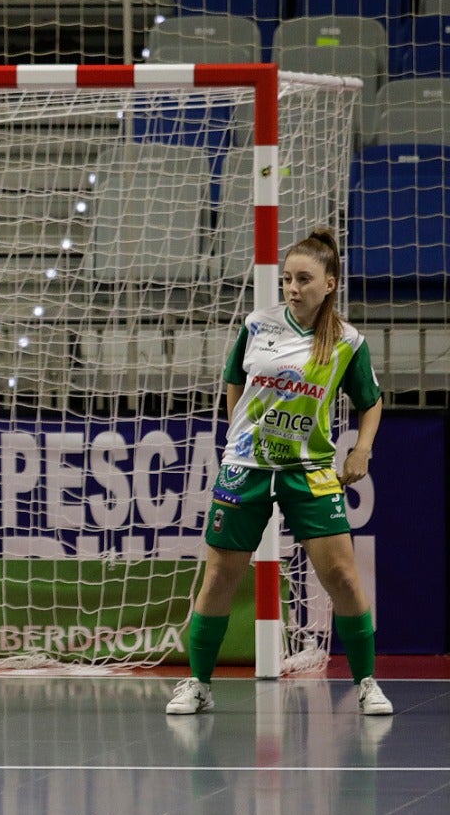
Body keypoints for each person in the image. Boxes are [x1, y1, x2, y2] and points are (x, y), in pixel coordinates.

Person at [167, 227, 391, 717]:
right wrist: (238, 437)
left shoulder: (348, 342)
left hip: (308, 469)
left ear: (329, 283)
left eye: (304, 279)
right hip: (246, 467)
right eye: (287, 279)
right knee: (221, 576)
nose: (293, 288)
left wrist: (362, 451)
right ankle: (198, 684)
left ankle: (367, 683)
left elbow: (371, 404)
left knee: (343, 578)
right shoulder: (257, 324)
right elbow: (234, 383)